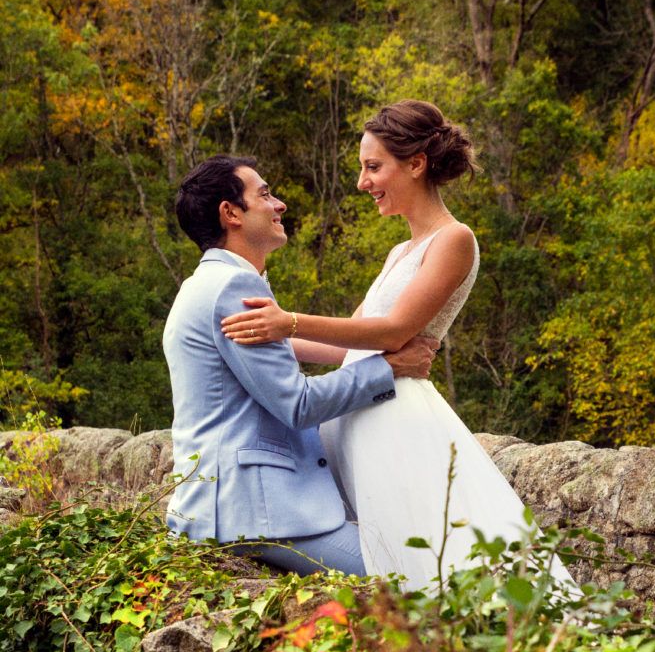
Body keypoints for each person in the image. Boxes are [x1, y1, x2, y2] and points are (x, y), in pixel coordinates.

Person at [220, 100, 581, 594]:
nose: (362, 182)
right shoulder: (399, 250)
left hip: (397, 417)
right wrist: (264, 338)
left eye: (373, 167)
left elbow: (392, 331)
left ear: (416, 164)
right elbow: (354, 341)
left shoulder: (455, 239)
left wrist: (289, 321)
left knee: (425, 560)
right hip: (361, 406)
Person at [163, 153, 438, 577]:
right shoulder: (234, 287)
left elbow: (282, 351)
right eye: (265, 195)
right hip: (252, 512)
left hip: (217, 506)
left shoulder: (205, 284)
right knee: (409, 574)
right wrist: (390, 368)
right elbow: (297, 404)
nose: (279, 205)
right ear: (230, 213)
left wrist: (367, 349)